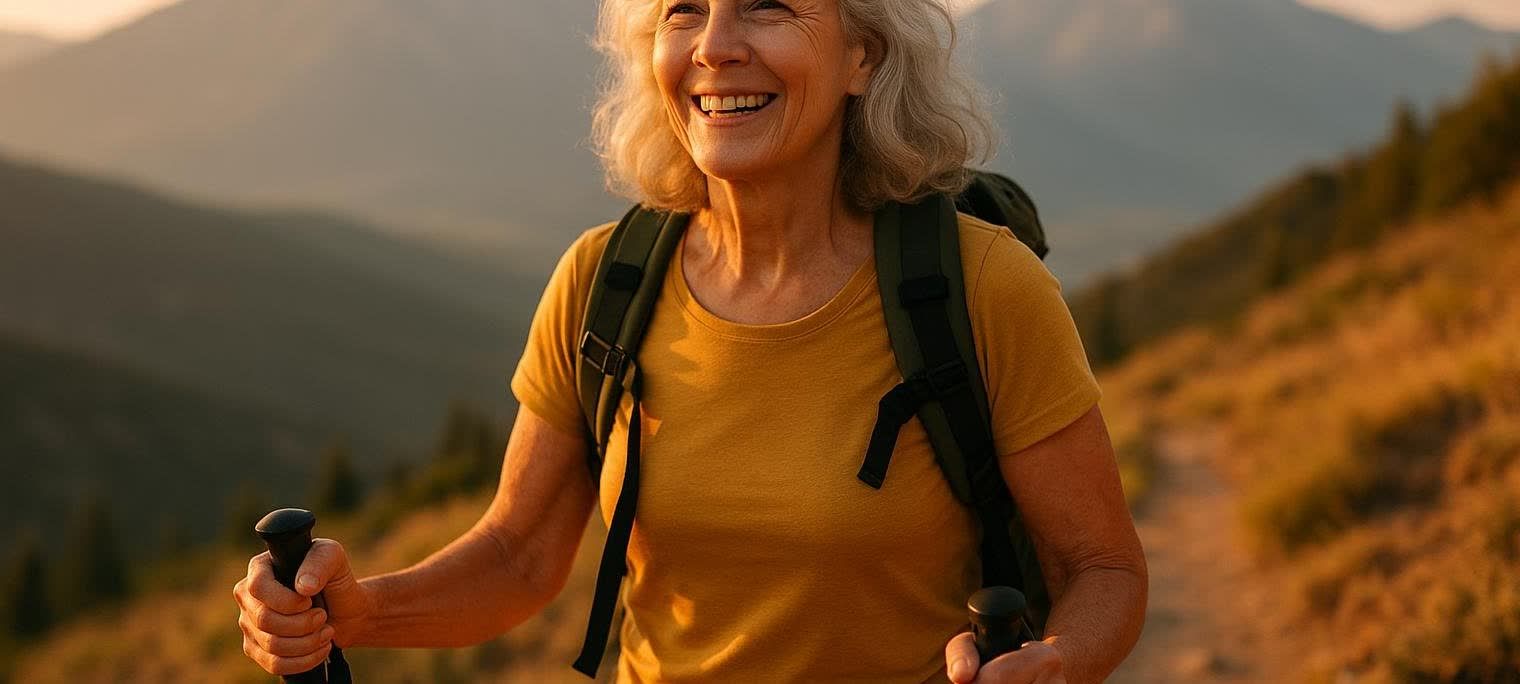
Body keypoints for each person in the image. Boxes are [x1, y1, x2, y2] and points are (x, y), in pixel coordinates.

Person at [232, 0, 1147, 681]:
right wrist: (352, 611)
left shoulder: (979, 285)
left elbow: (1100, 568)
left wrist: (1058, 661)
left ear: (862, 56)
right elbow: (517, 558)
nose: (714, 45)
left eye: (767, 7)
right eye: (683, 12)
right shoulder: (605, 283)